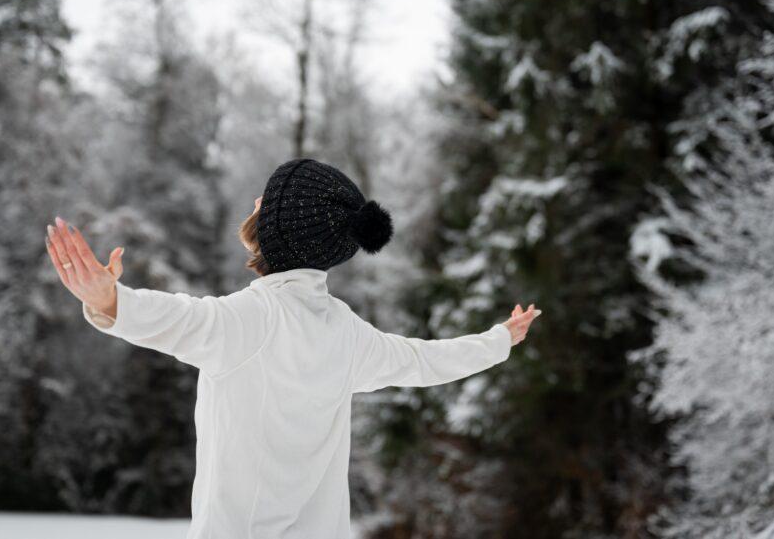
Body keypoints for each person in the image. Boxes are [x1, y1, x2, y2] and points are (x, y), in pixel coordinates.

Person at [45, 157, 541, 539]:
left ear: (281, 230)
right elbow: (424, 360)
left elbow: (179, 318)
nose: (256, 204)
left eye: (265, 201)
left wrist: (110, 300)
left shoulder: (252, 318)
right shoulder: (346, 332)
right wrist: (498, 341)